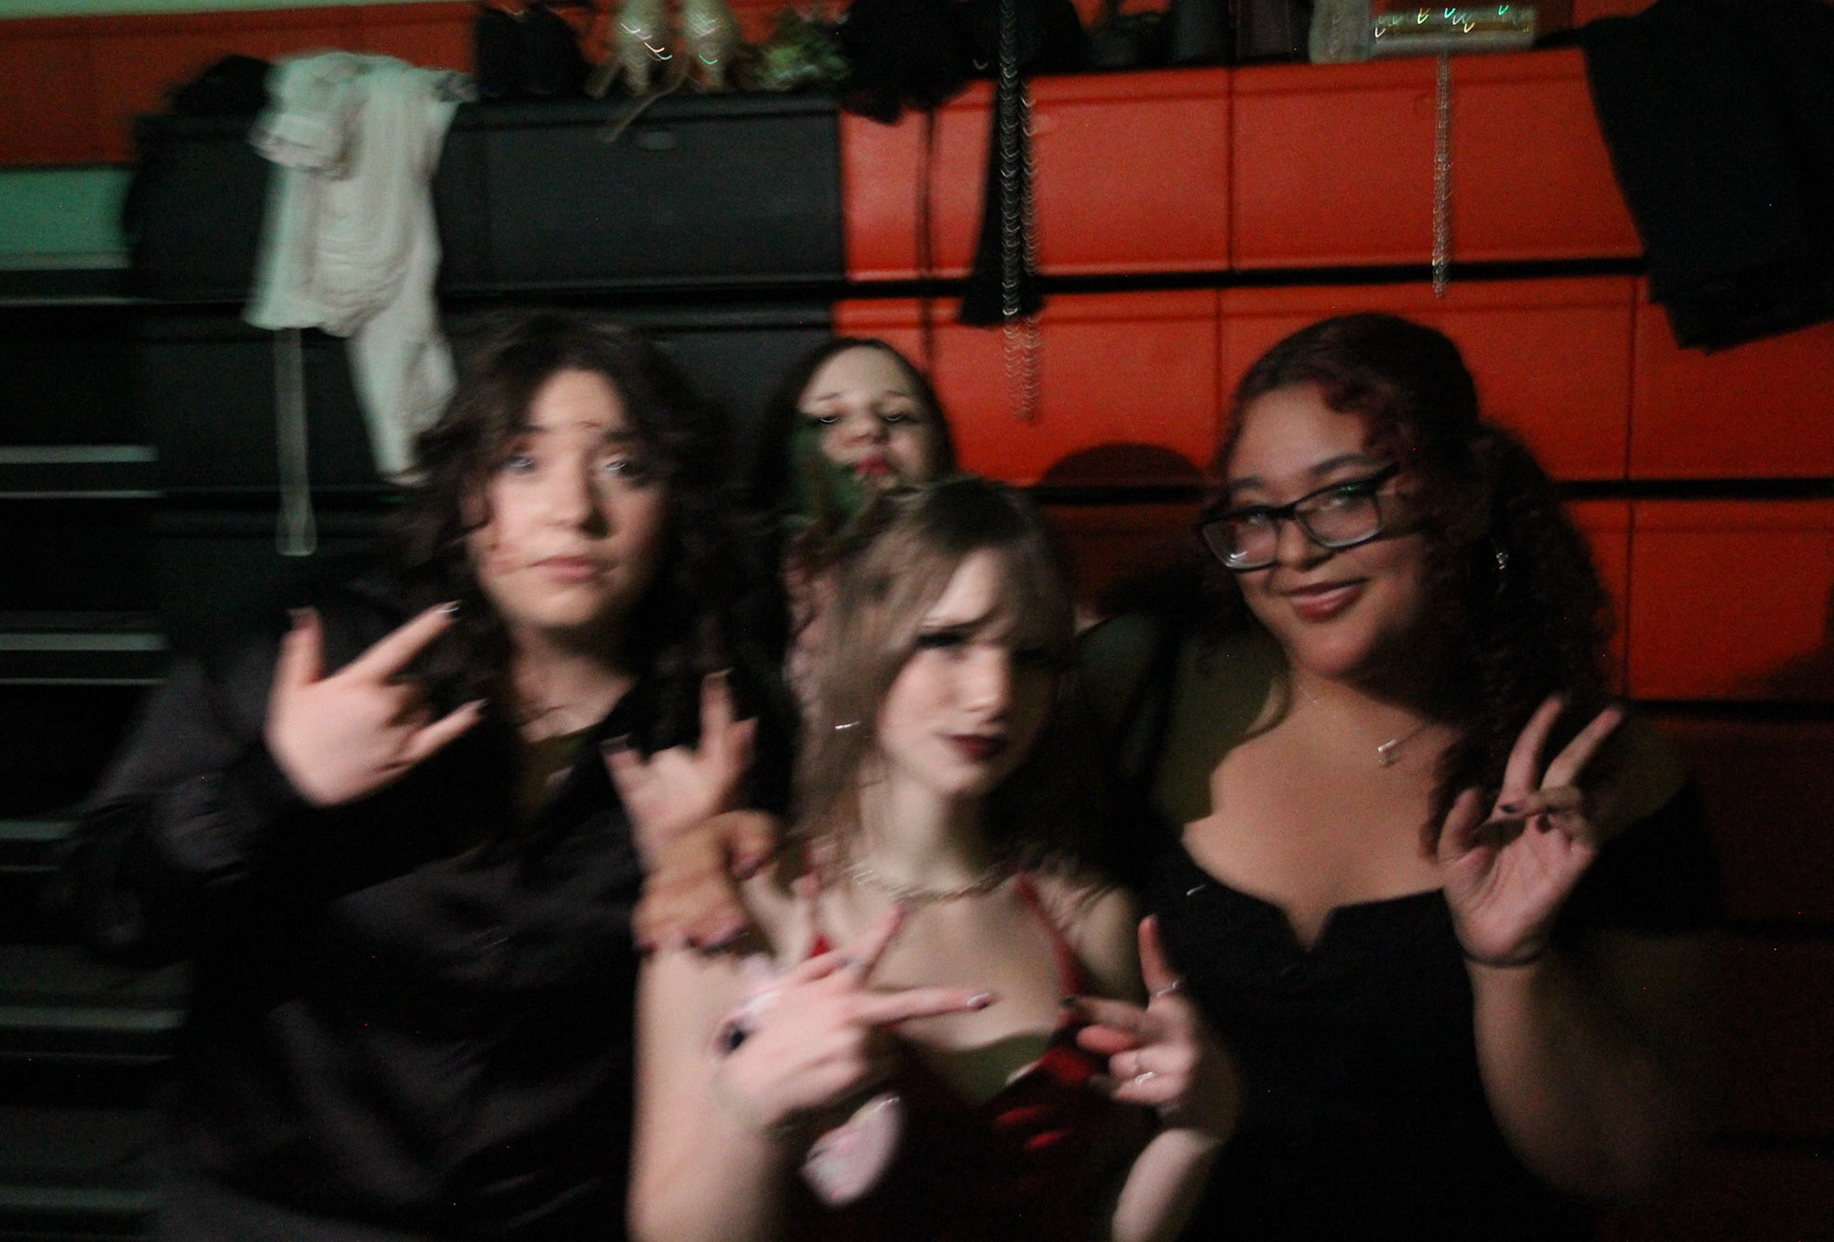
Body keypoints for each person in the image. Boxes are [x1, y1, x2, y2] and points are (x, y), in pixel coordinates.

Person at [65, 313, 783, 1241]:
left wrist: (729, 881)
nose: (573, 510)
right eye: (521, 462)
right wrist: (272, 786)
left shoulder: (719, 726)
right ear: (462, 485)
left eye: (624, 466)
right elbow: (102, 909)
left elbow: (778, 1053)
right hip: (265, 1220)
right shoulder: (326, 652)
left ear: (675, 499)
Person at [1085, 313, 1719, 1240]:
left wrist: (1512, 967)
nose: (1295, 552)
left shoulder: (1593, 771)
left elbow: (1626, 1162)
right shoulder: (1139, 686)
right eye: (1256, 514)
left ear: (1464, 496)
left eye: (1343, 498)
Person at [623, 477, 1240, 1242]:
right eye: (948, 640)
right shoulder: (732, 911)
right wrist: (753, 1104)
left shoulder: (1091, 920)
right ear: (859, 640)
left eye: (1030, 656)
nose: (993, 693)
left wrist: (1197, 1131)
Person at [744, 338, 959, 697]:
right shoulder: (741, 596)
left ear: (939, 444)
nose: (868, 429)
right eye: (828, 418)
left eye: (896, 416)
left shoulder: (988, 570)